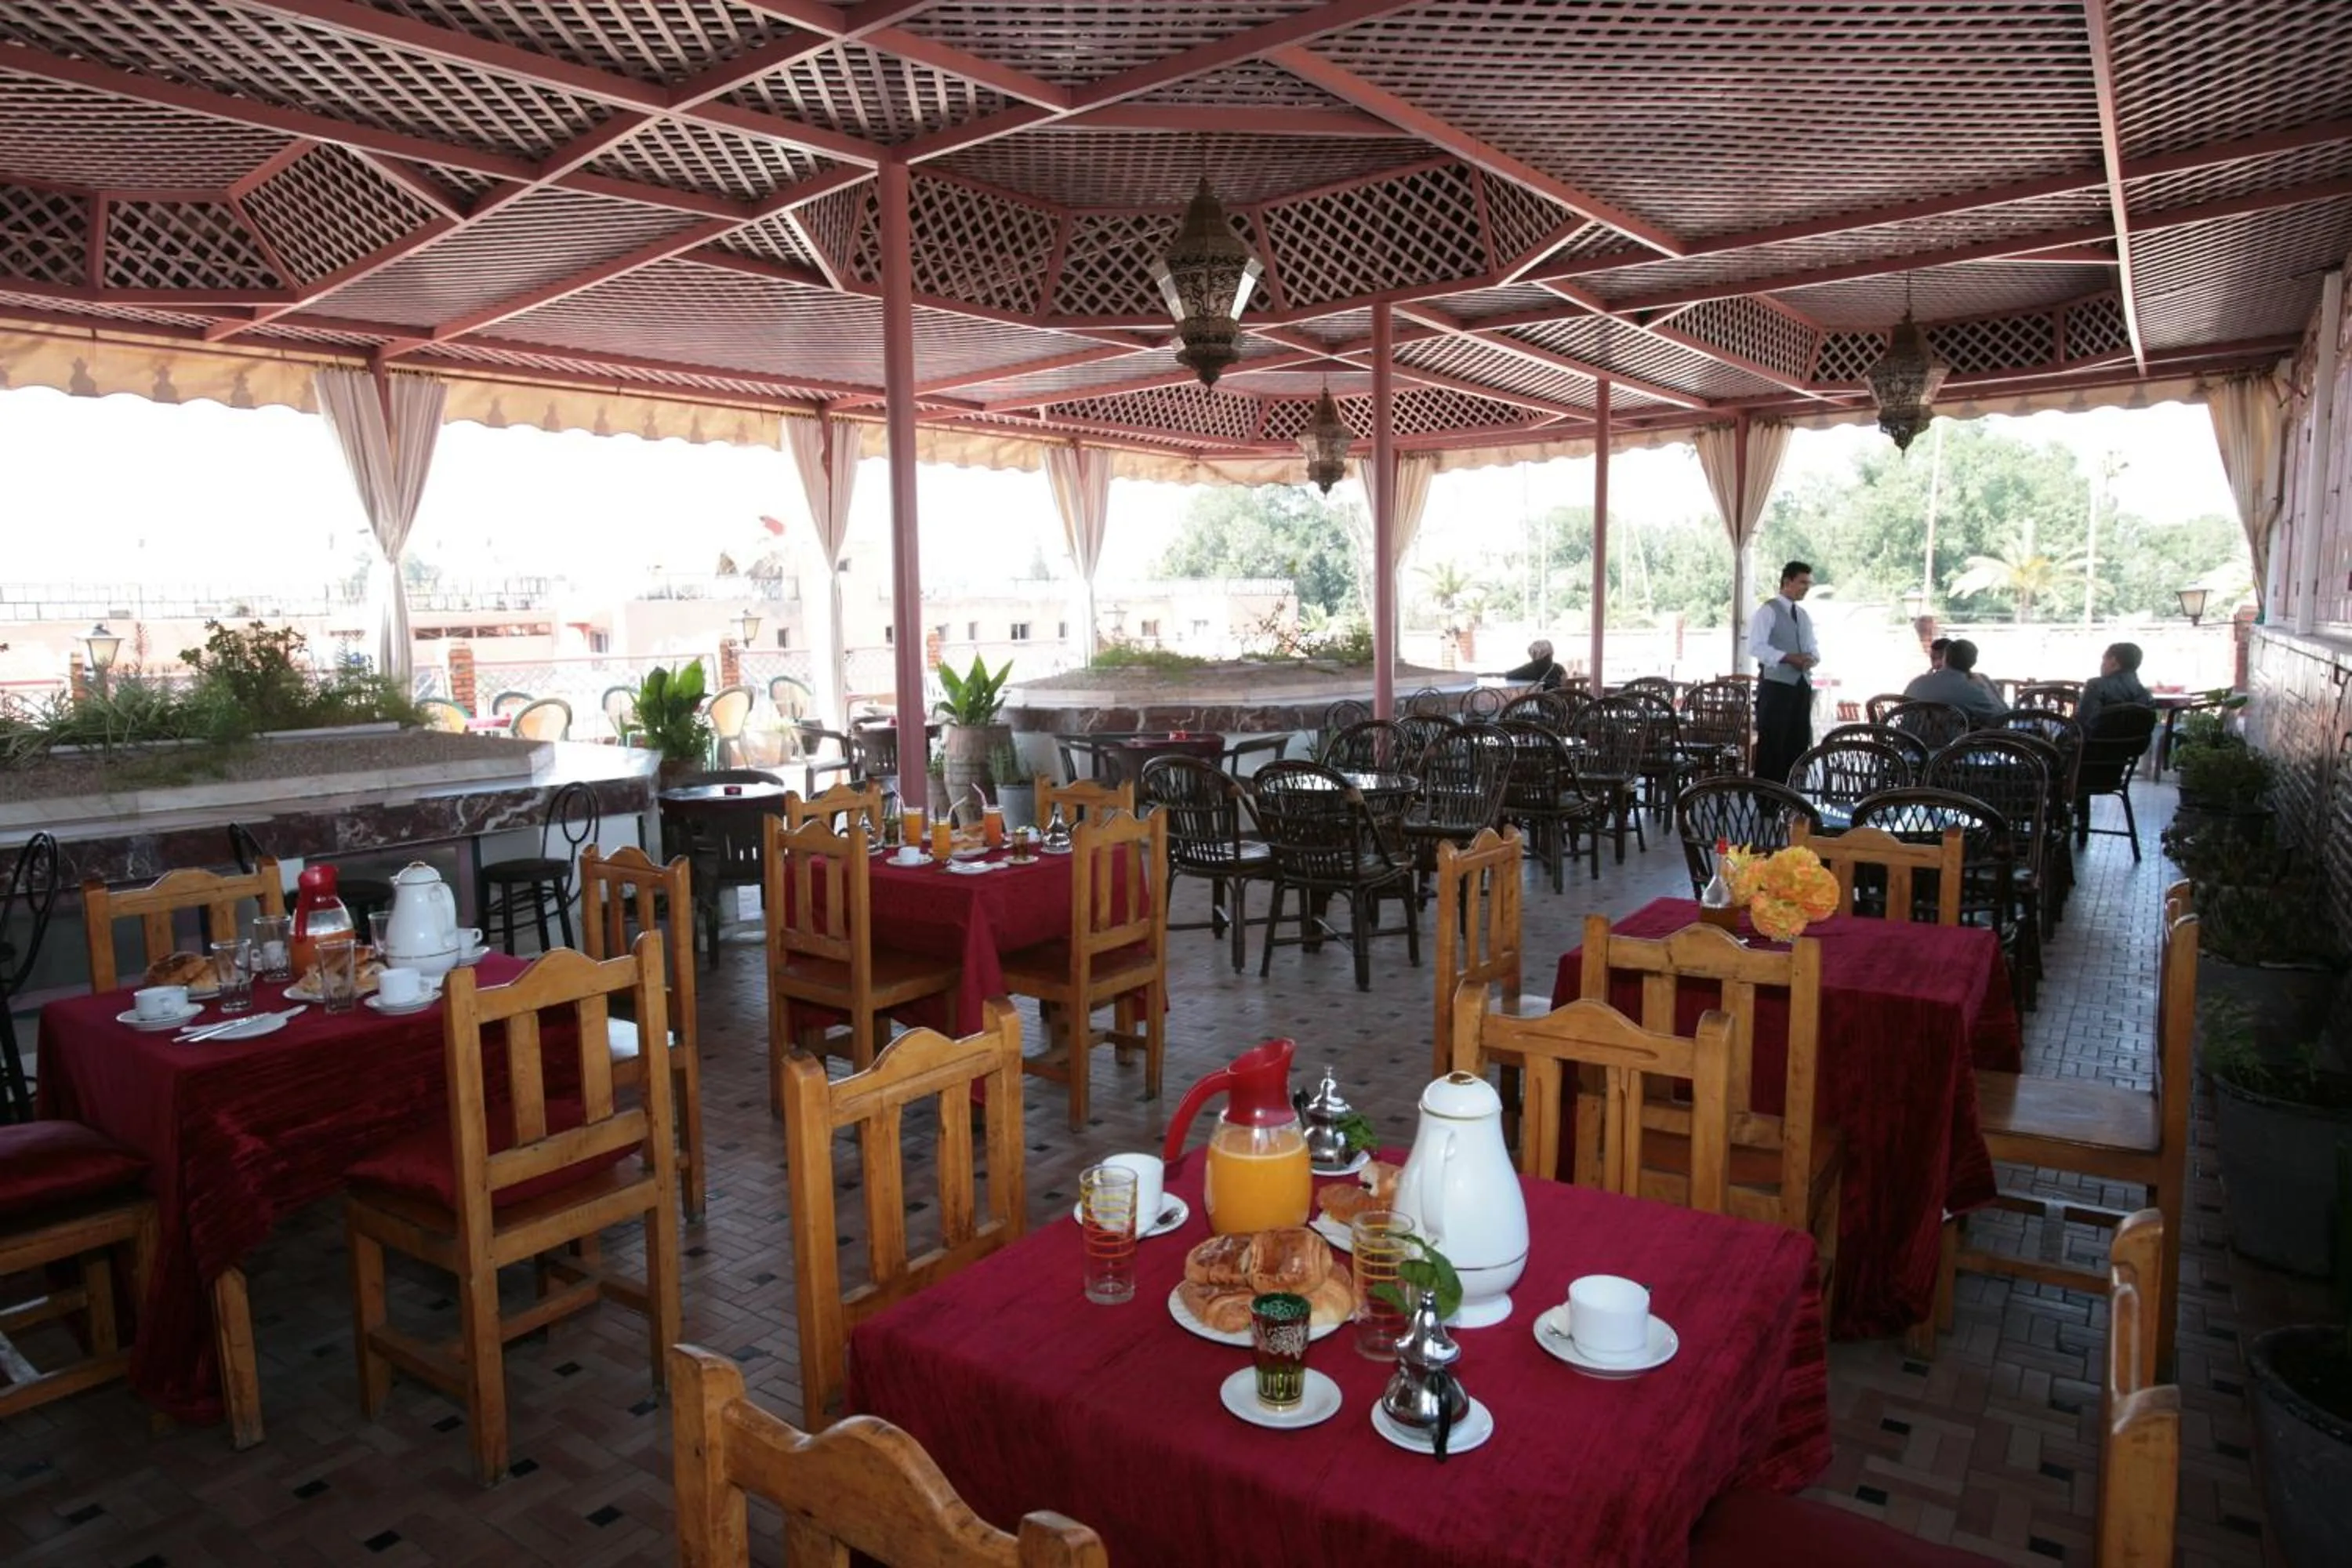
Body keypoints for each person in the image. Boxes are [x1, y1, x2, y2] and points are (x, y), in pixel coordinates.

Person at [1747, 561, 1819, 783]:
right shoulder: (1768, 610)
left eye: (1809, 583)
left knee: (1797, 741)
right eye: (1802, 582)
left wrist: (1811, 659)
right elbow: (1756, 647)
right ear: (1787, 582)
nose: (1806, 588)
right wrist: (1788, 657)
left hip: (1801, 685)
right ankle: (1767, 796)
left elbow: (1813, 647)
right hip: (1776, 686)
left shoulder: (1803, 615)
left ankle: (1791, 794)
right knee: (1773, 744)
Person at [1900, 637, 2007, 724]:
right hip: (1952, 743)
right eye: (1933, 659)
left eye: (1939, 658)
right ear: (1974, 662)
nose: (1936, 663)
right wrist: (1984, 686)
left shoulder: (1916, 682)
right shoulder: (1972, 687)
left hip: (1909, 741)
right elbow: (2000, 716)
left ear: (1945, 658)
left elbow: (1901, 710)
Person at [2074, 641, 2151, 734]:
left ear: (2113, 661)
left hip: (2097, 742)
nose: (2102, 665)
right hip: (2135, 743)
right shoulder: (2146, 695)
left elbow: (2083, 725)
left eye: (2104, 660)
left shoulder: (2095, 685)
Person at [1502, 638, 1566, 691]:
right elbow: (1563, 681)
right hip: (1557, 701)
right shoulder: (1559, 667)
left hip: (1538, 701)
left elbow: (1510, 675)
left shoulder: (1531, 667)